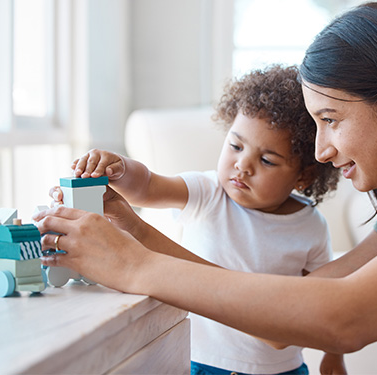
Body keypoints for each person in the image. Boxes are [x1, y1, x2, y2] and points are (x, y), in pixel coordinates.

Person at [34, 2, 377, 374]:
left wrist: (135, 265)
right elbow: (282, 321)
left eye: (330, 120)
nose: (321, 152)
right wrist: (136, 233)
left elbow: (347, 318)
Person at [50, 66, 345, 374]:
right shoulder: (208, 192)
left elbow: (322, 300)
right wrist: (120, 169)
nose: (242, 165)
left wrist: (334, 354)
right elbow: (147, 186)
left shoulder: (311, 226)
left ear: (304, 175)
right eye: (235, 146)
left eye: (267, 160)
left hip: (281, 369)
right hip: (203, 362)